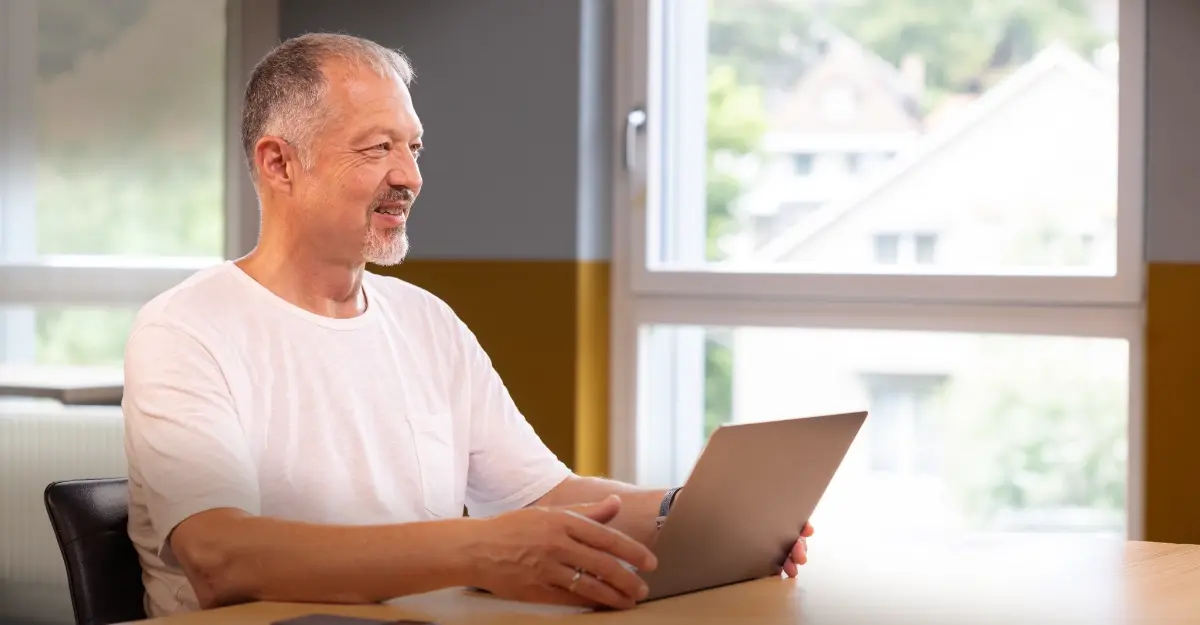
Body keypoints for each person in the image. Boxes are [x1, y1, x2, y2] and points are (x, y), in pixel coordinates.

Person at [121, 32, 813, 619]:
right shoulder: (186, 329)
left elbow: (544, 496)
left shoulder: (425, 321)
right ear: (279, 163)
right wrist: (478, 548)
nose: (410, 176)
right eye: (377, 148)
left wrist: (693, 514)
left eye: (414, 148)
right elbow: (222, 556)